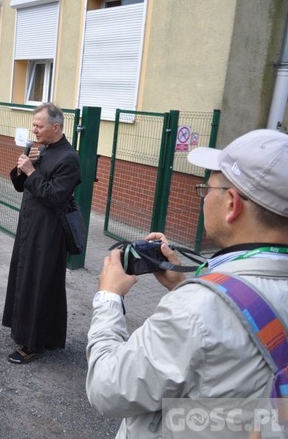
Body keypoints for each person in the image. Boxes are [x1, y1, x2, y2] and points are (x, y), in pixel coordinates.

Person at [86, 129, 288, 439]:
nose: (205, 196)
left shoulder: (197, 309)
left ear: (232, 204)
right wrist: (182, 286)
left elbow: (106, 387)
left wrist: (109, 298)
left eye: (208, 188)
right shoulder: (202, 304)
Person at [2, 102, 81, 364]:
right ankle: (23, 331)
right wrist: (21, 168)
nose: (34, 130)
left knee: (40, 284)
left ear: (55, 127)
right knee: (24, 278)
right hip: (30, 227)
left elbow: (55, 196)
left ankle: (34, 344)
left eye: (39, 125)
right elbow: (21, 186)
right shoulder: (43, 149)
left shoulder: (69, 158)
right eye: (33, 124)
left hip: (49, 232)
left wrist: (31, 171)